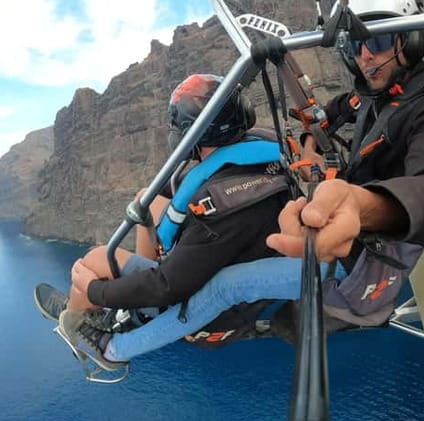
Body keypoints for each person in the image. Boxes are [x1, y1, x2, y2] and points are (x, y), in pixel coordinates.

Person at [56, 0, 424, 373]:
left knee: (225, 285)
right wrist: (314, 146)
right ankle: (118, 312)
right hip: (333, 229)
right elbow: (332, 113)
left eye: (379, 41)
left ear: (411, 41)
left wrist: (363, 206)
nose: (366, 56)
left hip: (361, 260)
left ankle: (113, 350)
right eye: (357, 45)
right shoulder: (376, 91)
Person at [36, 73, 299, 369]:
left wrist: (98, 291)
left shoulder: (222, 206)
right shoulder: (258, 151)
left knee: (94, 261)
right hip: (224, 257)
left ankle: (77, 312)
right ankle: (125, 305)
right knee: (145, 197)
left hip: (208, 306)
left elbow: (169, 285)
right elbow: (175, 195)